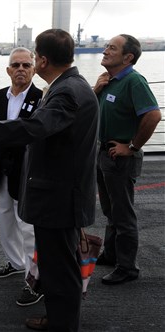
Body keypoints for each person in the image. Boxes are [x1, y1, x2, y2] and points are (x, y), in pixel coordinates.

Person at [0, 29, 99, 331]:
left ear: (41, 59)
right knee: (55, 267)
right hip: (60, 195)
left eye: (32, 59)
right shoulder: (71, 86)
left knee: (61, 270)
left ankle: (63, 325)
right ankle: (57, 317)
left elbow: (31, 128)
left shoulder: (66, 92)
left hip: (59, 198)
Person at [0, 47, 43, 306]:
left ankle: (33, 277)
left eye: (26, 65)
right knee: (4, 219)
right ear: (8, 70)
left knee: (27, 226)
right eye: (16, 65)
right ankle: (16, 263)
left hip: (25, 170)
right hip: (0, 167)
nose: (21, 70)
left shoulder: (41, 98)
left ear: (34, 69)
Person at [93, 34, 161, 285]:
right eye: (107, 46)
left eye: (112, 48)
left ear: (128, 57)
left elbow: (153, 116)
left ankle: (127, 266)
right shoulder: (109, 81)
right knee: (111, 210)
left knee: (123, 213)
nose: (105, 50)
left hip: (119, 156)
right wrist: (96, 90)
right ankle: (111, 254)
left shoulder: (133, 81)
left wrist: (131, 146)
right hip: (104, 153)